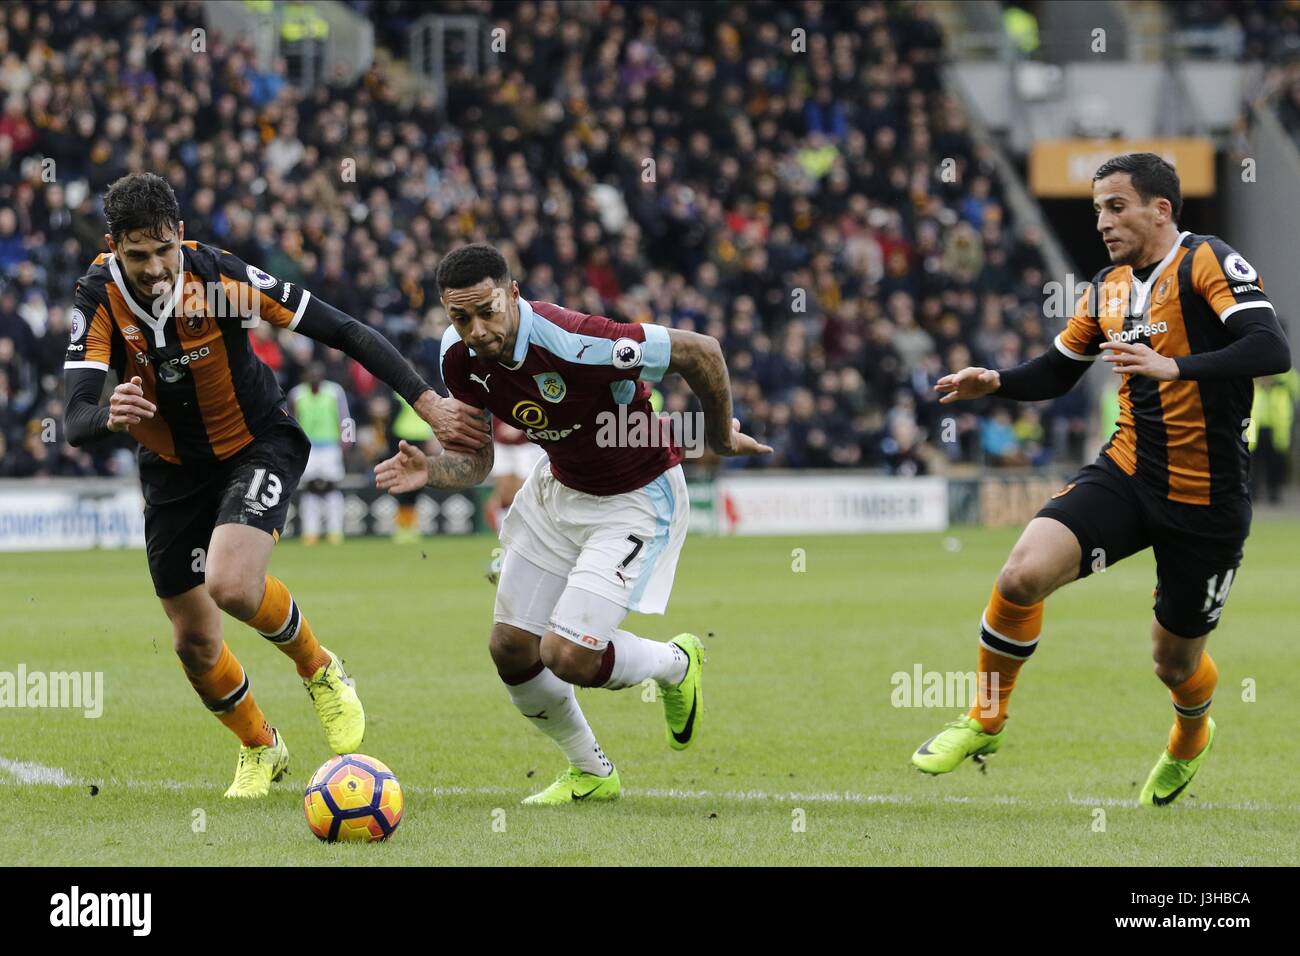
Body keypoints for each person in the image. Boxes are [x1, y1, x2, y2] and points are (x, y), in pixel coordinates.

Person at [62, 173, 488, 797]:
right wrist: (109, 414)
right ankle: (261, 747)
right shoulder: (96, 296)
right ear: (113, 246)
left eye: (163, 250)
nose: (154, 268)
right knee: (194, 643)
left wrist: (425, 400)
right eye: (137, 255)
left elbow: (343, 329)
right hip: (172, 472)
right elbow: (74, 416)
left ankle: (318, 667)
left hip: (255, 441)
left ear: (181, 234)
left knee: (232, 585)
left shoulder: (223, 280)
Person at [912, 153, 1290, 806]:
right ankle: (986, 718)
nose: (1103, 222)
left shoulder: (1206, 261)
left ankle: (1191, 735)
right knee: (1020, 575)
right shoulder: (1108, 286)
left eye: (1116, 206)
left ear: (1160, 209)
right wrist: (998, 381)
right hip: (1127, 471)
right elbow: (1060, 369)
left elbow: (1270, 346)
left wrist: (1175, 368)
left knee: (1173, 662)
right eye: (1096, 210)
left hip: (1207, 498)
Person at [376, 243, 771, 803]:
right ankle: (591, 770)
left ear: (513, 294)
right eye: (460, 318)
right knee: (511, 648)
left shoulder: (576, 339)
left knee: (569, 656)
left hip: (636, 495)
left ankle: (676, 664)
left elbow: (699, 351)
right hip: (557, 489)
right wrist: (432, 472)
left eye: (487, 310)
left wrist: (720, 435)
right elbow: (480, 462)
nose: (477, 329)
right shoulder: (458, 359)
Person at [288, 362, 349, 545]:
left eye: (317, 373)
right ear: (305, 376)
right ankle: (311, 532)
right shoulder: (297, 394)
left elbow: (345, 416)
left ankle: (335, 531)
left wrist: (347, 443)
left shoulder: (335, 391)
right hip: (308, 448)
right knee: (310, 489)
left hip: (330, 446)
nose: (314, 377)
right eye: (311, 374)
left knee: (331, 487)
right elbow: (292, 419)